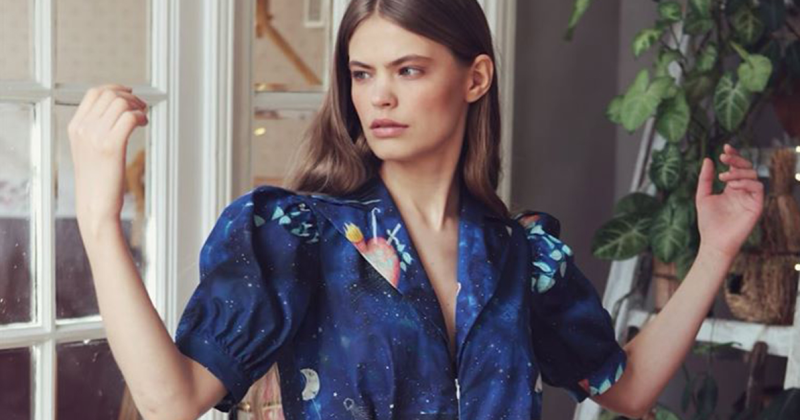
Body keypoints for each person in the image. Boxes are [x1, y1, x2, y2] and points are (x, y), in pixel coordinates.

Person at [67, 0, 764, 419]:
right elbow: (171, 402)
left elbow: (627, 388)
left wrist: (716, 252)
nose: (379, 97)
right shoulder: (297, 234)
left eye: (408, 70)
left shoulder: (519, 255)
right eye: (362, 74)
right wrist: (99, 219)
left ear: (475, 78)